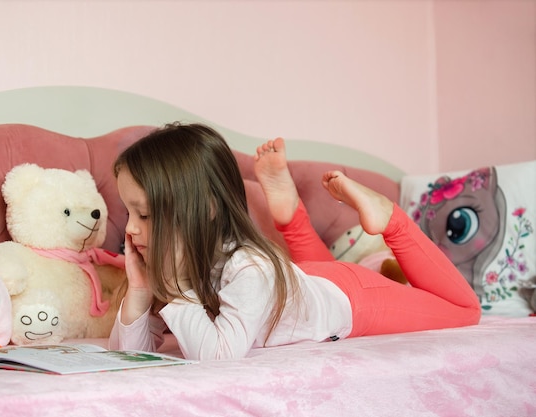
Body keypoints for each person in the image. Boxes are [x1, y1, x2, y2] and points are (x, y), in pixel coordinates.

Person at [109, 122, 481, 361]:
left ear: (205, 208)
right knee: (315, 277)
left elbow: (217, 358)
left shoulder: (247, 268)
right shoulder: (183, 261)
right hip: (307, 280)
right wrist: (140, 292)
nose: (131, 230)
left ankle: (390, 220)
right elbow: (132, 359)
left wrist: (177, 289)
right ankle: (289, 215)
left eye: (145, 215)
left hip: (355, 298)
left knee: (464, 310)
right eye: (129, 213)